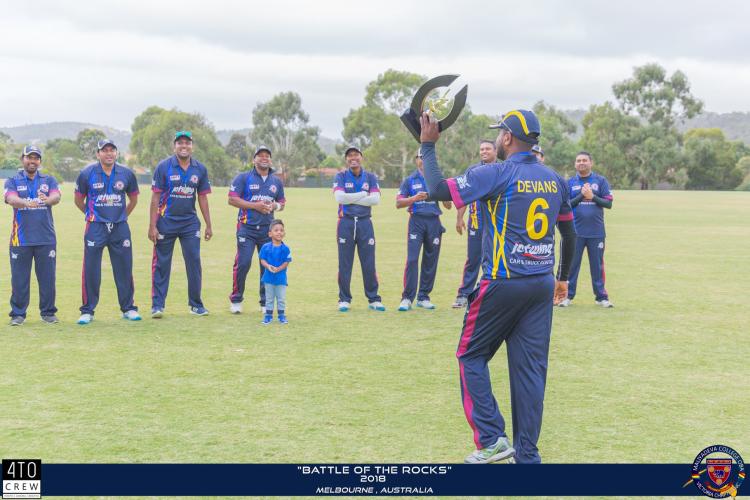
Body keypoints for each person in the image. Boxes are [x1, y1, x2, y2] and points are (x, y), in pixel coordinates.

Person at [419, 109, 576, 464]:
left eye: (499, 134)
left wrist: (428, 146)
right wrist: (563, 277)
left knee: (470, 355)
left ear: (507, 138)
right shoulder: (555, 178)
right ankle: (528, 457)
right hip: (541, 284)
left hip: (503, 283)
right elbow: (569, 232)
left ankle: (491, 439)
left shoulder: (496, 173)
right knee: (530, 372)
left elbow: (438, 190)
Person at [74, 139, 141, 325]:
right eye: (105, 150)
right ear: (98, 154)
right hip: (95, 227)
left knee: (124, 267)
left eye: (112, 150)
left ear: (116, 153)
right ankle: (87, 311)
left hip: (120, 227)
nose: (109, 153)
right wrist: (92, 215)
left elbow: (133, 200)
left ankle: (128, 308)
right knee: (91, 269)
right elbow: (78, 200)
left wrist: (121, 216)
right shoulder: (87, 173)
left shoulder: (126, 173)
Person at [149, 131, 213, 318]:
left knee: (194, 262)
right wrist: (152, 225)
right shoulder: (164, 167)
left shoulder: (199, 169)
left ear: (192, 146)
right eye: (180, 143)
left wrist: (208, 224)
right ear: (174, 146)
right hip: (166, 222)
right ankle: (157, 305)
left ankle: (196, 305)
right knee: (162, 264)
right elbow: (155, 198)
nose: (184, 146)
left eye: (187, 143)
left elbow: (202, 198)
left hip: (189, 224)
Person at [4, 145, 61, 325]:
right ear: (23, 159)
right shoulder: (13, 180)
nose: (32, 161)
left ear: (39, 161)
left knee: (47, 279)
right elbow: (11, 199)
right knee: (19, 280)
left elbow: (56, 197)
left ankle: (48, 313)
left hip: (46, 239)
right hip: (20, 240)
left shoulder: (49, 180)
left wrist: (47, 200)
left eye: (36, 158)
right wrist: (26, 203)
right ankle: (18, 314)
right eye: (29, 157)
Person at [228, 145, 286, 314]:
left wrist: (274, 206)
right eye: (260, 155)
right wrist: (256, 206)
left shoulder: (276, 181)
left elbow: (282, 203)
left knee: (267, 265)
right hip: (247, 228)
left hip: (268, 230)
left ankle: (265, 302)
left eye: (267, 155)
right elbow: (232, 199)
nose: (264, 158)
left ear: (270, 160)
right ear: (254, 160)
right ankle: (236, 300)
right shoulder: (243, 178)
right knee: (243, 263)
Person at [558, 151, 614, 308]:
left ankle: (601, 297)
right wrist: (582, 196)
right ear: (575, 164)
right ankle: (567, 296)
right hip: (575, 232)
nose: (581, 163)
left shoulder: (600, 181)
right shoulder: (569, 183)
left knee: (597, 266)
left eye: (584, 160)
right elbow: (566, 205)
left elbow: (608, 203)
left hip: (596, 232)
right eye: (578, 160)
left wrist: (592, 196)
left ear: (591, 163)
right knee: (571, 266)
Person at [396, 150, 451, 311]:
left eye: (426, 157)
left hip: (434, 222)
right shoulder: (409, 180)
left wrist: (439, 195)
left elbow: (448, 205)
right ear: (416, 160)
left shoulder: (439, 180)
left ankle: (423, 297)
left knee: (430, 260)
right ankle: (407, 298)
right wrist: (414, 198)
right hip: (416, 221)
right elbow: (398, 203)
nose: (423, 160)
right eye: (421, 157)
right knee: (412, 259)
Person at [333, 146, 385, 312]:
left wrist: (350, 199)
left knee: (369, 263)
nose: (353, 158)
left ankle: (373, 299)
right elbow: (340, 198)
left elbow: (375, 200)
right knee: (345, 264)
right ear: (346, 159)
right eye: (349, 155)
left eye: (356, 155)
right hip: (346, 223)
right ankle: (344, 299)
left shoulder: (370, 177)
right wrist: (362, 194)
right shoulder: (341, 176)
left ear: (361, 157)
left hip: (365, 223)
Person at [452, 140, 497, 308]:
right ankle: (463, 295)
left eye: (487, 149)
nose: (484, 151)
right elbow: (464, 195)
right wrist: (459, 218)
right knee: (473, 258)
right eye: (482, 149)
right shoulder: (473, 170)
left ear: (495, 151)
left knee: (494, 258)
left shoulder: (503, 168)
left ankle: (490, 294)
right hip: (476, 221)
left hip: (497, 222)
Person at [259, 219, 292, 325]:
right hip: (268, 278)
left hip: (281, 279)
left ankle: (281, 315)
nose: (279, 232)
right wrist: (268, 266)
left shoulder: (286, 249)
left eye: (281, 230)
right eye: (276, 230)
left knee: (281, 298)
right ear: (270, 234)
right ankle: (268, 316)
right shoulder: (265, 247)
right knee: (269, 298)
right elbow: (262, 260)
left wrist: (278, 269)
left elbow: (286, 262)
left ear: (284, 233)